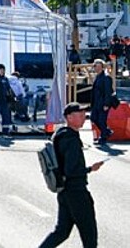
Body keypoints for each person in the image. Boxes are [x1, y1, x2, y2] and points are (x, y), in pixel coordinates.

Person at [39, 102, 104, 248]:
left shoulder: (60, 135)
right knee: (89, 235)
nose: (84, 117)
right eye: (80, 115)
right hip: (76, 192)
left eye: (84, 115)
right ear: (69, 117)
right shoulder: (71, 139)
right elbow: (72, 169)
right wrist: (88, 170)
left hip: (64, 191)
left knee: (62, 232)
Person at [90, 59, 114, 144]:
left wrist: (106, 104)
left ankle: (103, 137)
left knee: (101, 120)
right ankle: (107, 132)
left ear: (101, 67)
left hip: (103, 103)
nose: (95, 68)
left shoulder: (106, 77)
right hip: (96, 102)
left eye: (96, 66)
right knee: (93, 118)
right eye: (94, 66)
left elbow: (108, 92)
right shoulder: (97, 77)